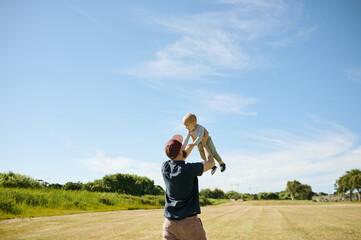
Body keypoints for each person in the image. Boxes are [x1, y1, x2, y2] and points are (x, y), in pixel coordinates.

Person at [162, 134, 215, 240]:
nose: (184, 146)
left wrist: (194, 143)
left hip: (169, 225)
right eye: (183, 147)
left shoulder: (165, 167)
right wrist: (204, 143)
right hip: (189, 225)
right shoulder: (188, 169)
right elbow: (211, 163)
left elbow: (181, 157)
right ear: (181, 152)